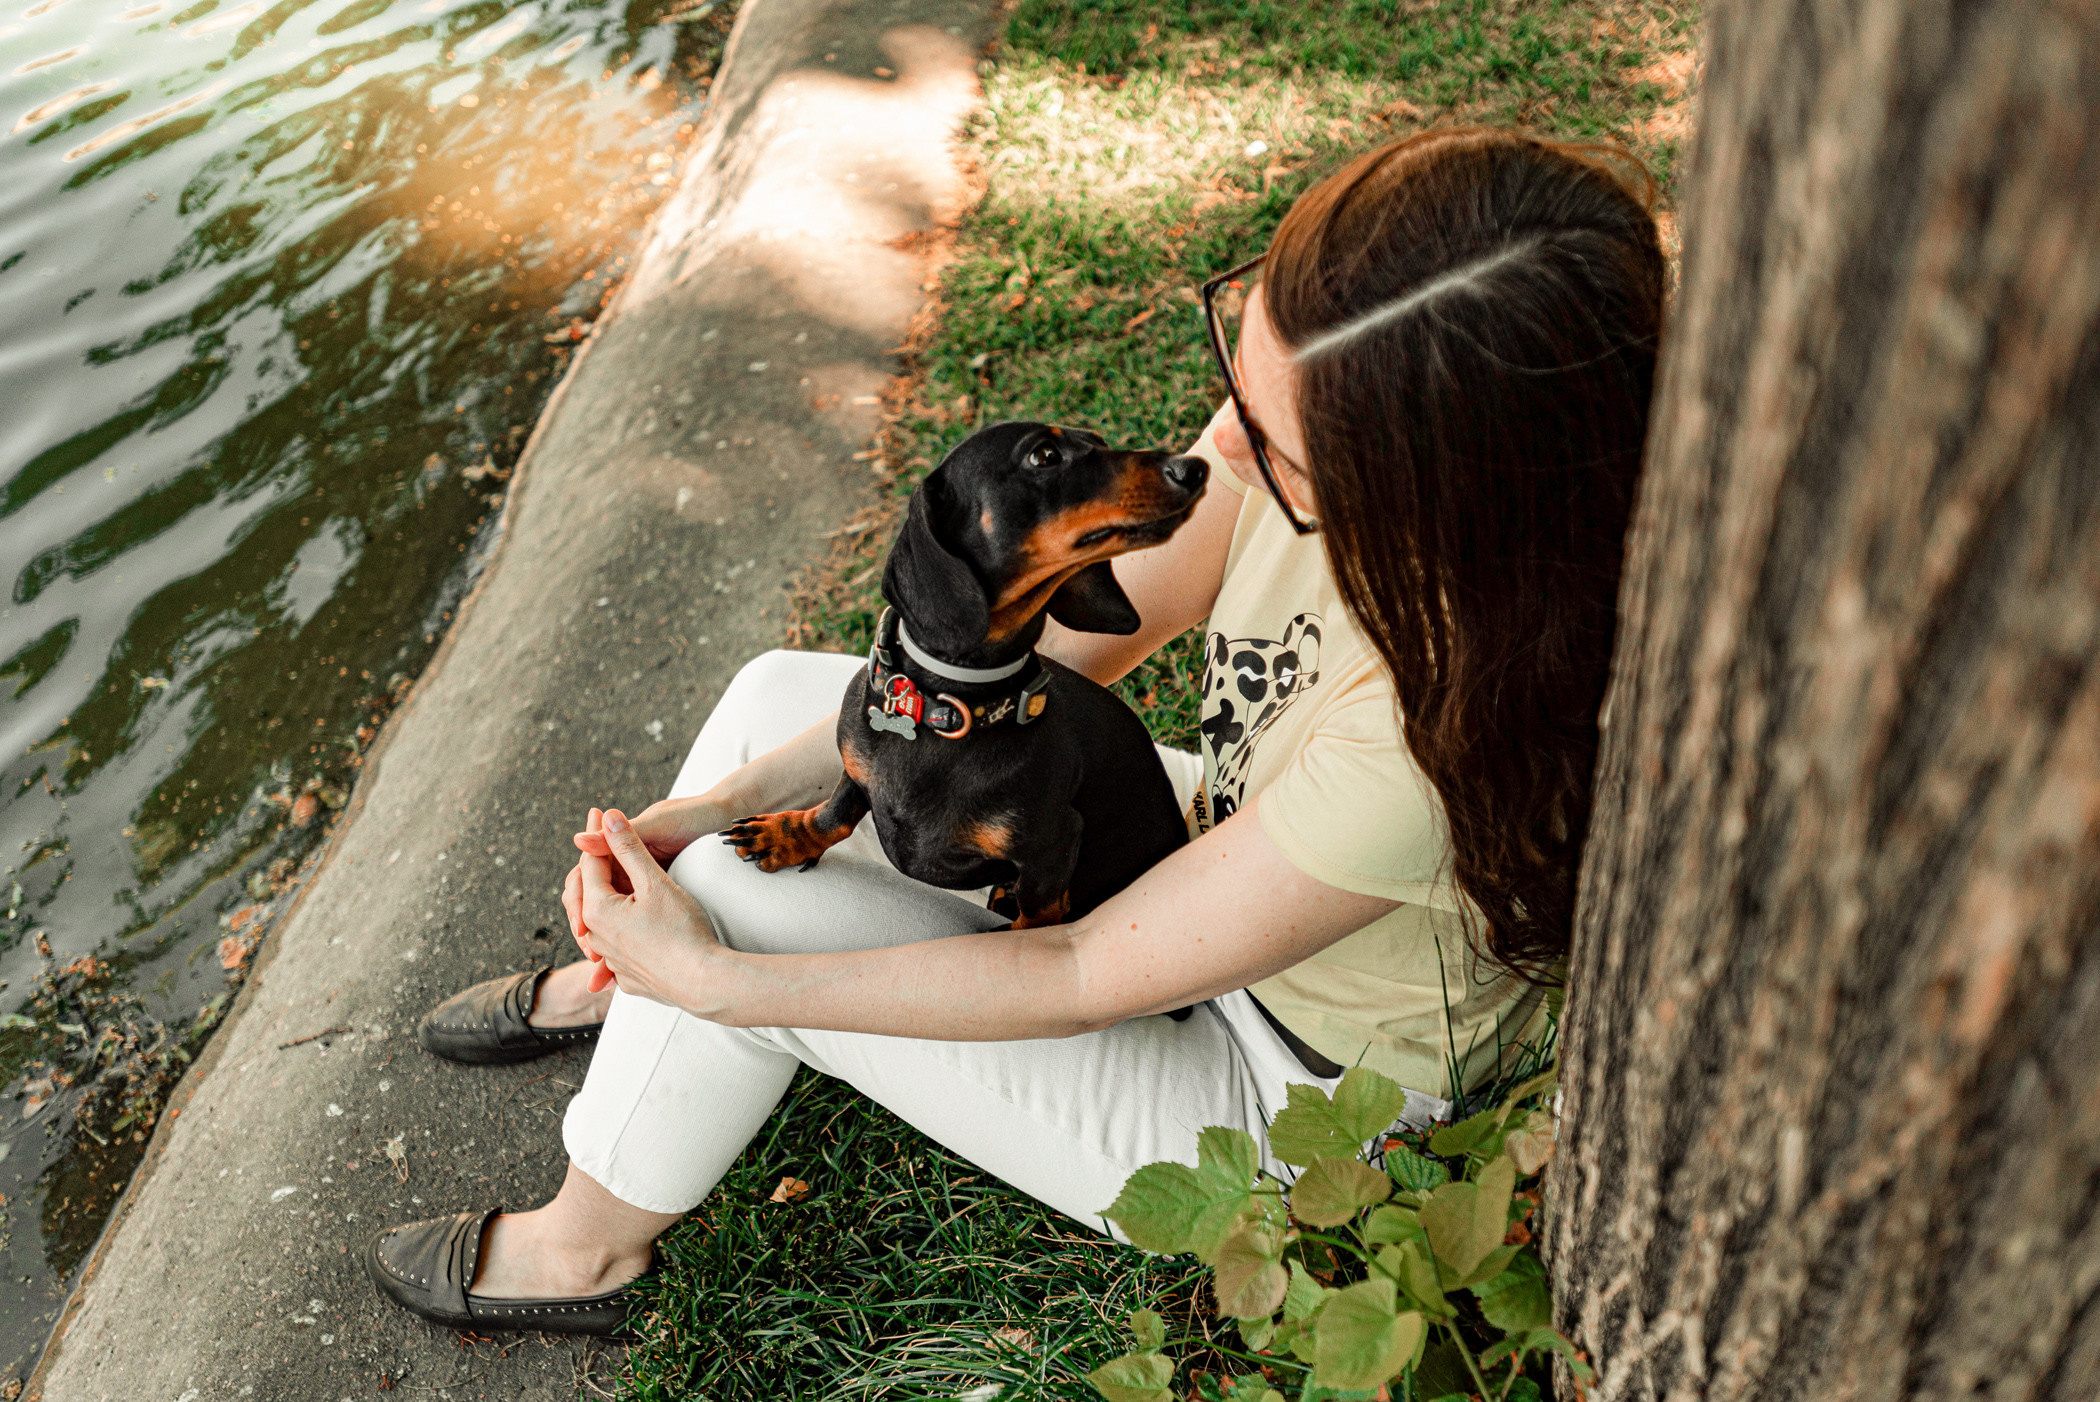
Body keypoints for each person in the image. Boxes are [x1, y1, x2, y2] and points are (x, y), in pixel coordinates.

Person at [364, 127, 1666, 1335]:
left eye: (1277, 448)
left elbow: (1082, 971)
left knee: (740, 913)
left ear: (1430, 492)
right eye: (1241, 368)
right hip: (1225, 851)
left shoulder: (1430, 730)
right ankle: (632, 983)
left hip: (1287, 1092)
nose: (1225, 445)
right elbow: (1042, 660)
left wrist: (718, 975)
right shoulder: (1317, 429)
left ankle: (582, 1246)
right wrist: (692, 816)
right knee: (778, 707)